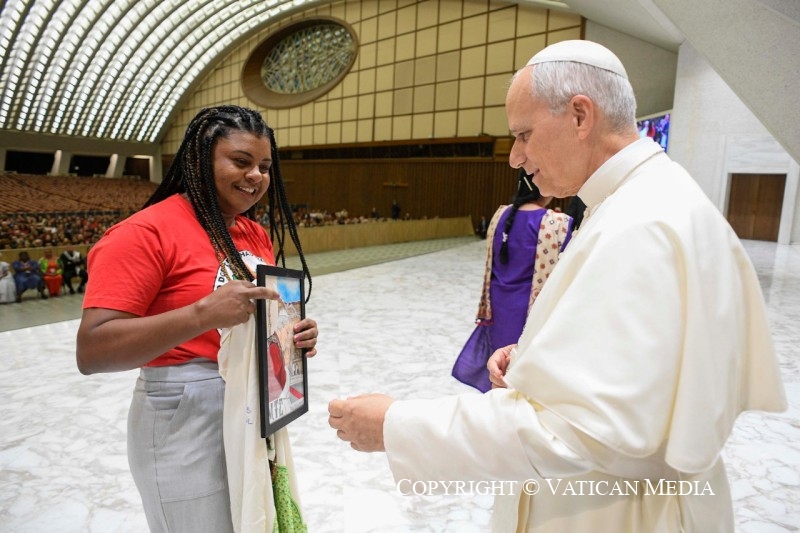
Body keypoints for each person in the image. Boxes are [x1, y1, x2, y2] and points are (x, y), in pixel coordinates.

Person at [328, 40, 786, 532]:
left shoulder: (640, 224)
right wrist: (535, 363)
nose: (515, 158)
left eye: (523, 134)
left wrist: (396, 425)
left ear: (580, 115)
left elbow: (577, 432)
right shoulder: (642, 200)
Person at [76, 105, 318, 533]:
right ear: (199, 160)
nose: (256, 176)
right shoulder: (144, 234)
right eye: (241, 162)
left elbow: (253, 317)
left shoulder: (251, 232)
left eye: (264, 166)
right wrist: (201, 314)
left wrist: (289, 334)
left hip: (252, 400)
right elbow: (93, 350)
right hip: (185, 410)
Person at [452, 169, 573, 392]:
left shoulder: (501, 216)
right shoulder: (556, 222)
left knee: (499, 363)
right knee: (521, 363)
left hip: (499, 302)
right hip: (528, 308)